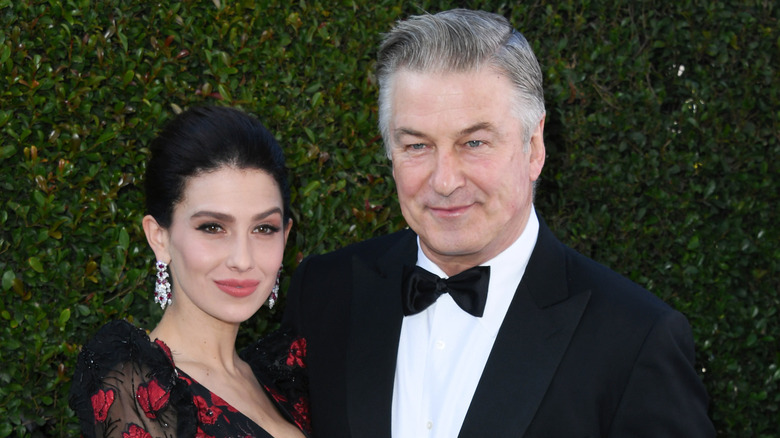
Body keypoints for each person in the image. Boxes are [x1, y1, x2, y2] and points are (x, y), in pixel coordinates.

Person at [282, 9, 714, 437]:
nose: (445, 181)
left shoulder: (636, 338)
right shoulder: (324, 292)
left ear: (534, 147)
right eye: (417, 145)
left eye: (474, 142)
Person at [69, 106, 310, 437]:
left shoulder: (284, 377)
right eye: (212, 227)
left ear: (285, 236)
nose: (242, 259)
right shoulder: (137, 389)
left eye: (263, 229)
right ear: (160, 237)